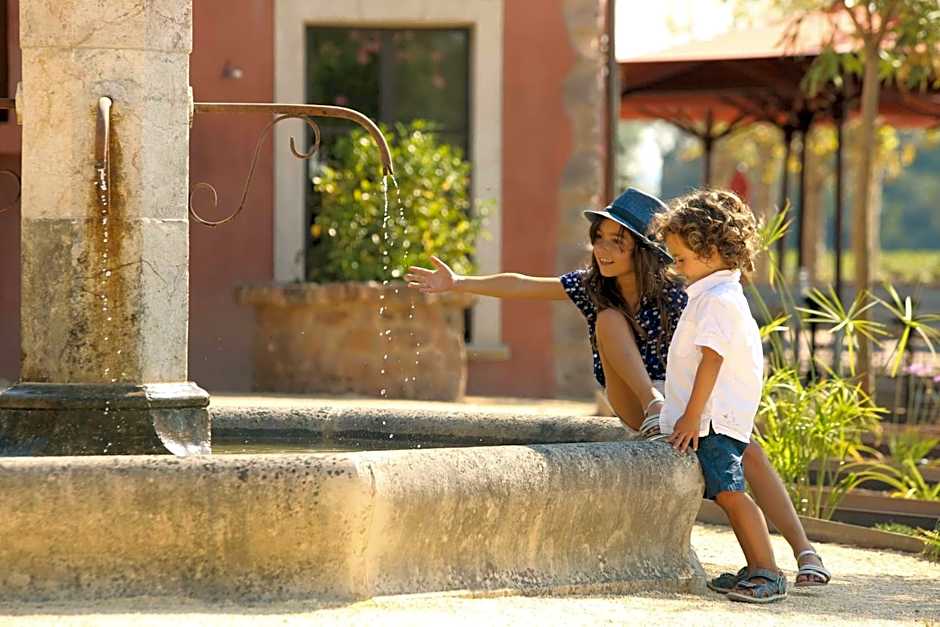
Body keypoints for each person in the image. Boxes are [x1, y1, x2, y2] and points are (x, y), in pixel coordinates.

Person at [405, 187, 831, 589]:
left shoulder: (682, 290)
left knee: (748, 447)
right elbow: (523, 284)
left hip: (687, 395)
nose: (602, 250)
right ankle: (654, 410)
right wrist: (459, 282)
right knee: (607, 318)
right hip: (640, 397)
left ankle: (804, 550)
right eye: (599, 239)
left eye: (617, 241)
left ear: (646, 249)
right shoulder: (594, 287)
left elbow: (715, 354)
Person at [654, 189, 786, 602]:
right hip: (710, 417)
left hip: (711, 419)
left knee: (730, 492)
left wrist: (691, 416)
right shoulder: (714, 294)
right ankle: (756, 566)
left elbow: (712, 360)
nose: (676, 269)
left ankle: (768, 571)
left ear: (711, 250)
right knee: (726, 492)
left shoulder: (718, 300)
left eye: (681, 259)